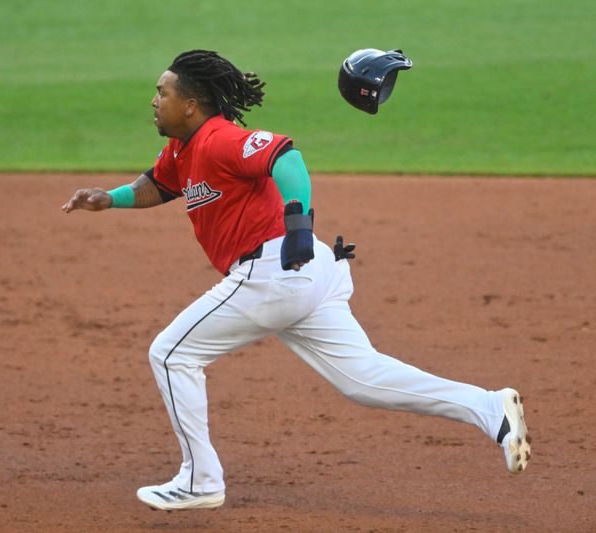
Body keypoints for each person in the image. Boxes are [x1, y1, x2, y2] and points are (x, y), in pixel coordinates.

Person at [62, 50, 531, 511]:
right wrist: (109, 198)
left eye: (161, 92)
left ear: (190, 104)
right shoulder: (184, 149)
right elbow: (160, 183)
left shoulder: (220, 139)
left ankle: (199, 481)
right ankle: (490, 409)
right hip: (304, 278)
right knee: (362, 379)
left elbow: (287, 158)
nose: (153, 100)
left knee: (170, 353)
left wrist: (298, 225)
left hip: (275, 269)